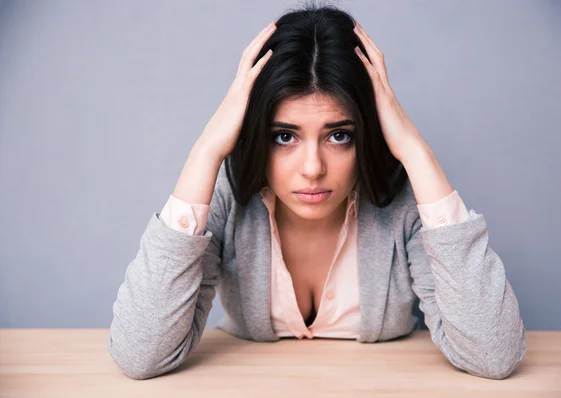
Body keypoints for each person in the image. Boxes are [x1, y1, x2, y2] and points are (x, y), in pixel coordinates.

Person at [108, 3, 526, 381]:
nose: (312, 169)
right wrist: (206, 150)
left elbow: (494, 355)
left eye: (339, 135)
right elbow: (140, 356)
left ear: (369, 132)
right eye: (284, 136)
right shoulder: (227, 196)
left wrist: (414, 151)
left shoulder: (406, 203)